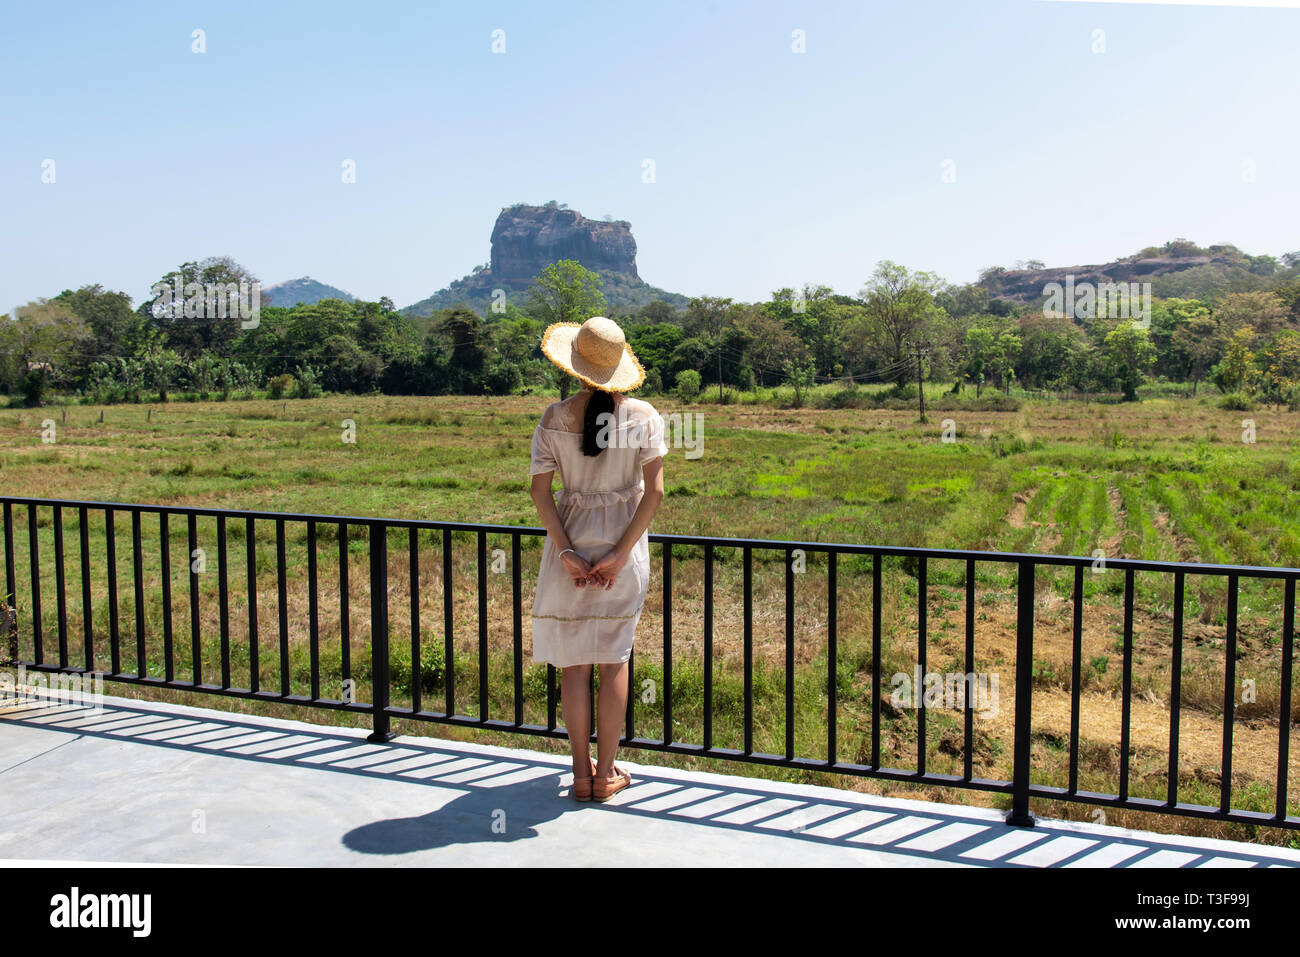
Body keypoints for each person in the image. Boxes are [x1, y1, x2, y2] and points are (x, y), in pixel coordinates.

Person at [528, 316, 667, 802]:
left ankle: (580, 775)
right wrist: (619, 554)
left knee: (573, 666)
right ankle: (607, 774)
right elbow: (654, 494)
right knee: (613, 660)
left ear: (574, 366)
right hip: (623, 552)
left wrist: (567, 552)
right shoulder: (645, 416)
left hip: (568, 545)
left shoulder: (553, 418)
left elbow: (540, 493)